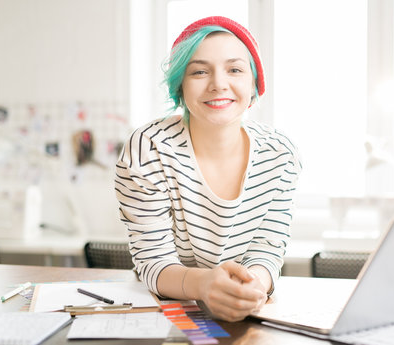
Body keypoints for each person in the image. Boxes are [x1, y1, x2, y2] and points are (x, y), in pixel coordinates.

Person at [115, 16, 302, 322]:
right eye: (199, 71)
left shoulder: (280, 154)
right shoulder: (147, 148)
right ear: (180, 85)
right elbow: (153, 262)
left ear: (254, 83)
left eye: (235, 69)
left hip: (245, 316)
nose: (218, 84)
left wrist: (254, 286)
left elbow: (268, 249)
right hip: (165, 313)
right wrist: (203, 285)